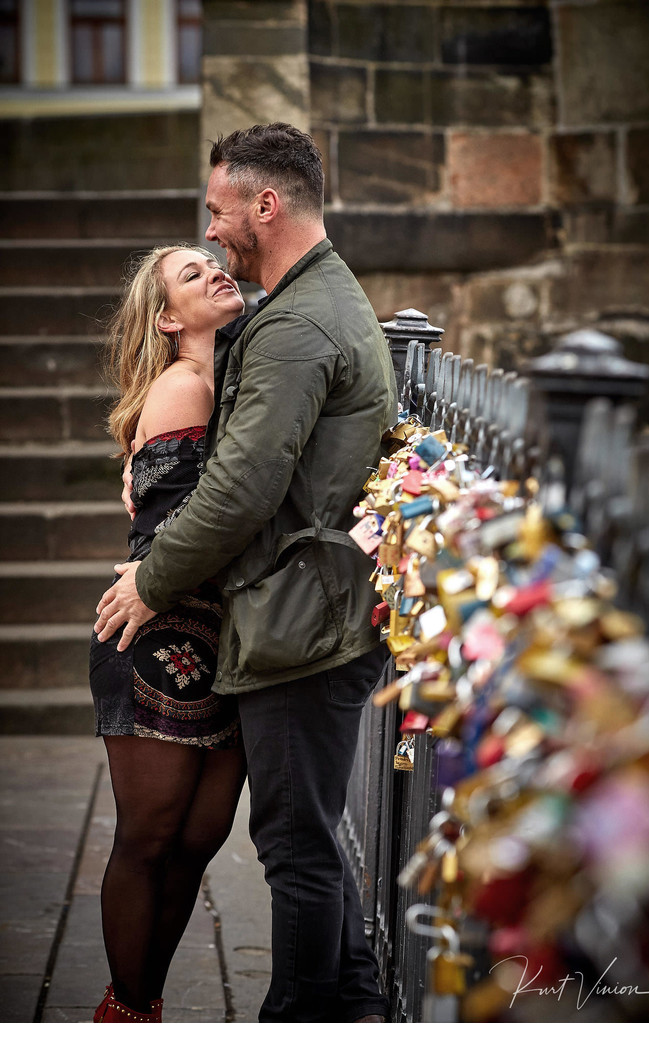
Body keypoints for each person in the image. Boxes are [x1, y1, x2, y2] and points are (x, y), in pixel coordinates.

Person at [94, 122, 399, 1023]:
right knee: (287, 840)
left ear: (265, 204)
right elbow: (213, 466)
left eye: (220, 214)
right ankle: (345, 1003)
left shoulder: (295, 320)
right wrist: (150, 463)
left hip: (294, 616)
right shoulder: (301, 305)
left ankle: (315, 1012)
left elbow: (240, 489)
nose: (215, 233)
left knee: (294, 848)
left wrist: (149, 580)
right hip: (272, 614)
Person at [89, 244, 248, 1023]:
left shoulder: (232, 378)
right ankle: (125, 1010)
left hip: (229, 639)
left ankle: (143, 998)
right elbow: (179, 528)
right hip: (158, 636)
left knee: (199, 839)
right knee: (149, 839)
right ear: (166, 317)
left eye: (217, 262)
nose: (218, 270)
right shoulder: (185, 386)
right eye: (193, 274)